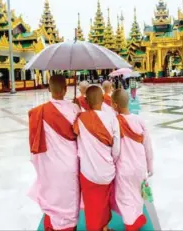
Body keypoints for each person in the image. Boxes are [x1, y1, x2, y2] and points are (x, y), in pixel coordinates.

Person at [28, 75, 80, 231]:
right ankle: (70, 226)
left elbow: (33, 141)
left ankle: (53, 224)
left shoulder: (39, 111)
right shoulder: (74, 109)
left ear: (49, 89)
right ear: (66, 89)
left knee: (52, 194)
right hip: (70, 163)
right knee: (70, 197)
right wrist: (77, 107)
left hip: (49, 164)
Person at [73, 86, 120, 231]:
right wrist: (111, 160)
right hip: (107, 170)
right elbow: (116, 149)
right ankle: (104, 227)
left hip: (88, 172)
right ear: (102, 99)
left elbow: (74, 135)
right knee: (104, 201)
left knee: (92, 205)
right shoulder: (112, 118)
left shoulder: (80, 119)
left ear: (86, 100)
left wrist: (75, 107)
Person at [111, 89, 154, 231]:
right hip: (140, 167)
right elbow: (148, 146)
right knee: (137, 195)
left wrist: (113, 161)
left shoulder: (115, 122)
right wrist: (150, 166)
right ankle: (138, 218)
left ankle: (131, 225)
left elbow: (115, 150)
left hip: (124, 168)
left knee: (125, 198)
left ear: (115, 105)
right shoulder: (139, 120)